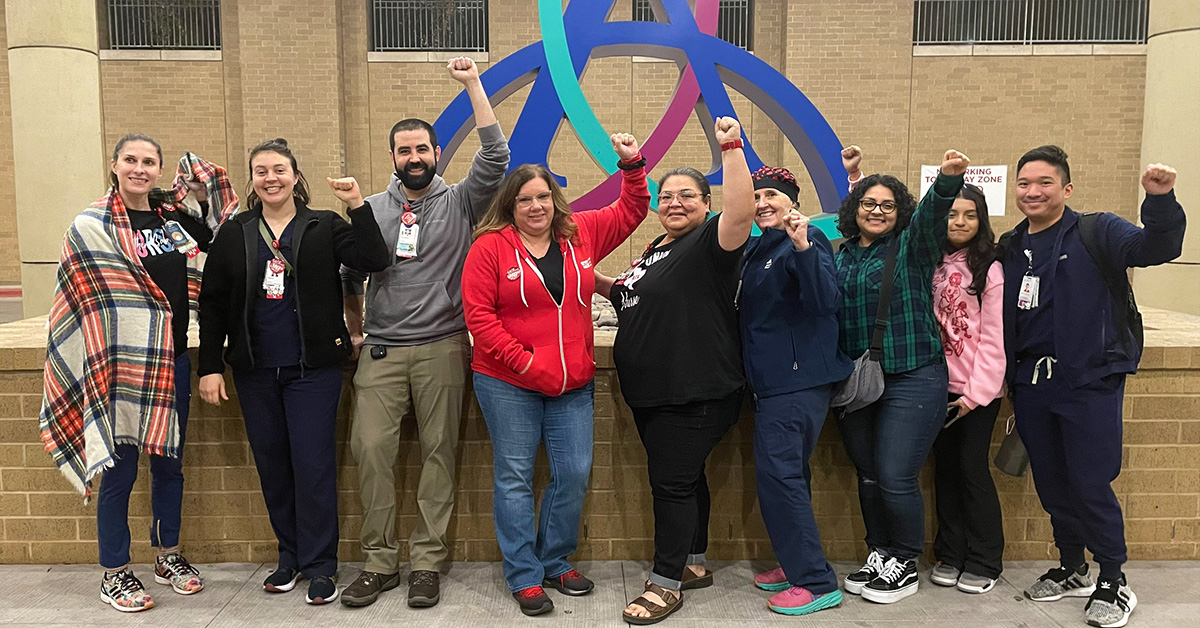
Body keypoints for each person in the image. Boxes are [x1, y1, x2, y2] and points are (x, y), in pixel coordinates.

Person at [339, 56, 511, 609]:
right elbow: (350, 276)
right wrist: (356, 331)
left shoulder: (460, 200)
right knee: (370, 452)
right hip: (382, 351)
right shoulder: (369, 209)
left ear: (437, 154)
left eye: (422, 149)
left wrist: (473, 84)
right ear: (393, 157)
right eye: (403, 150)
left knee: (440, 453)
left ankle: (428, 562)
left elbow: (496, 155)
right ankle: (379, 561)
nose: (413, 158)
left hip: (442, 346)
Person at [40, 133, 237, 612]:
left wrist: (198, 179)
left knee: (170, 467)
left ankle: (168, 554)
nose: (139, 168)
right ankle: (116, 570)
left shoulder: (173, 218)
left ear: (159, 171)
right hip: (119, 366)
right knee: (120, 471)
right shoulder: (91, 225)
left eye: (150, 161)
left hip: (171, 360)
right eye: (131, 160)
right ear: (114, 165)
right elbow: (80, 298)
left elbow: (220, 232)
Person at [461, 134, 651, 616]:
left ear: (554, 198)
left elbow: (631, 210)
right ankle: (524, 574)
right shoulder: (489, 248)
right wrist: (524, 362)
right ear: (511, 205)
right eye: (524, 199)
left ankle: (554, 559)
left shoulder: (579, 233)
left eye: (543, 196)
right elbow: (479, 317)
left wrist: (631, 164)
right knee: (514, 476)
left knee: (573, 473)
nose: (535, 206)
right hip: (508, 382)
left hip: (572, 385)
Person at [197, 138, 390, 606]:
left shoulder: (323, 225)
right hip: (255, 371)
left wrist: (358, 206)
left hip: (312, 371)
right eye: (261, 171)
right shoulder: (236, 232)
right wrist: (210, 367)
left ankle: (322, 566)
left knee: (314, 467)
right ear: (253, 180)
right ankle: (290, 557)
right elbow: (213, 303)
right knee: (274, 468)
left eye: (279, 170)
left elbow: (374, 259)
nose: (271, 178)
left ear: (295, 176)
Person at [999, 146, 1184, 628]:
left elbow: (1157, 248)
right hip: (1032, 385)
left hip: (1089, 381)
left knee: (1090, 482)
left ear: (1066, 188)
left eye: (1044, 183)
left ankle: (1114, 578)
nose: (1032, 191)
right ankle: (1071, 566)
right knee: (1052, 482)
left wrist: (1160, 200)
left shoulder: (1097, 230)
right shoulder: (1011, 244)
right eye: (1024, 183)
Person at [591, 117, 753, 625]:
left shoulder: (712, 245)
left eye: (687, 195)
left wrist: (730, 146)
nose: (675, 203)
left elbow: (742, 212)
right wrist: (577, 273)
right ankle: (694, 564)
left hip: (694, 391)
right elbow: (626, 293)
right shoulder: (656, 250)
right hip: (656, 391)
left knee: (672, 484)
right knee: (687, 479)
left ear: (706, 205)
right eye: (667, 196)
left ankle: (665, 583)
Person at [834, 148, 969, 604]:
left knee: (895, 475)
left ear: (901, 213)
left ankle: (905, 561)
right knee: (869, 474)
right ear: (855, 210)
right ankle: (879, 553)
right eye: (869, 204)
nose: (877, 211)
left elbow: (932, 217)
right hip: (858, 382)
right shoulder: (844, 255)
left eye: (888, 205)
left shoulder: (912, 246)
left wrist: (947, 181)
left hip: (913, 376)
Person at [739, 166, 853, 616]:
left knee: (780, 477)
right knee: (788, 477)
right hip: (770, 383)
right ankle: (794, 564)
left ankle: (815, 581)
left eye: (772, 195)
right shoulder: (758, 248)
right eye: (757, 196)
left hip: (797, 382)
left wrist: (805, 245)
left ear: (791, 201)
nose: (764, 202)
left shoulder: (805, 241)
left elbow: (825, 300)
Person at [928, 183, 1006, 595]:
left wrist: (976, 395)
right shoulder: (934, 260)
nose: (959, 222)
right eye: (952, 214)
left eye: (969, 215)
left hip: (976, 393)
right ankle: (950, 552)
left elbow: (994, 338)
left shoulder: (990, 267)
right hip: (937, 388)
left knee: (972, 471)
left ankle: (984, 559)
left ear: (981, 220)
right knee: (945, 471)